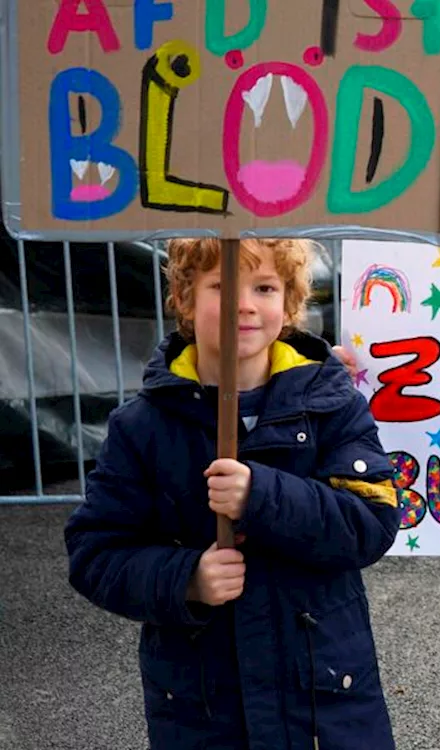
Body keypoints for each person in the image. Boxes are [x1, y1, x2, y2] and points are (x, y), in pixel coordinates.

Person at [65, 238, 400, 750]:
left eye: (264, 287)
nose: (245, 304)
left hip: (325, 699)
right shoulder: (142, 427)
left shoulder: (332, 405)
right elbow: (95, 553)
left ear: (289, 304)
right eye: (222, 286)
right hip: (203, 708)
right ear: (183, 297)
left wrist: (261, 495)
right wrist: (187, 579)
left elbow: (370, 523)